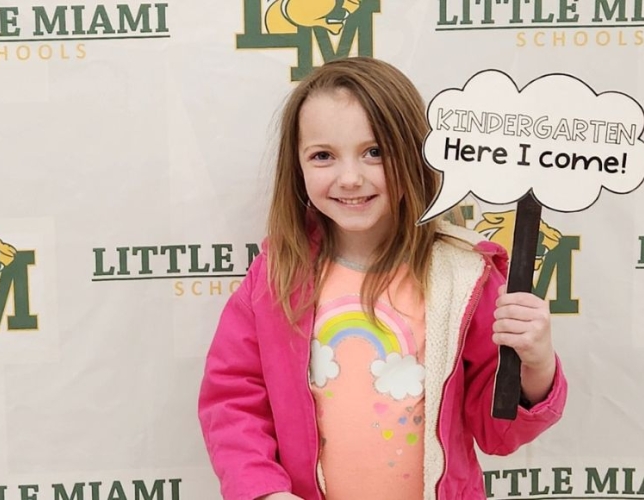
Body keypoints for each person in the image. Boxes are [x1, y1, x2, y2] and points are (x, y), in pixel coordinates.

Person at [197, 57, 567, 500]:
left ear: (415, 154)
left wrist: (537, 365)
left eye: (375, 152)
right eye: (323, 156)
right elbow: (232, 400)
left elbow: (497, 433)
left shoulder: (465, 278)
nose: (350, 178)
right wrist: (263, 491)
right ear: (297, 166)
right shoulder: (276, 275)